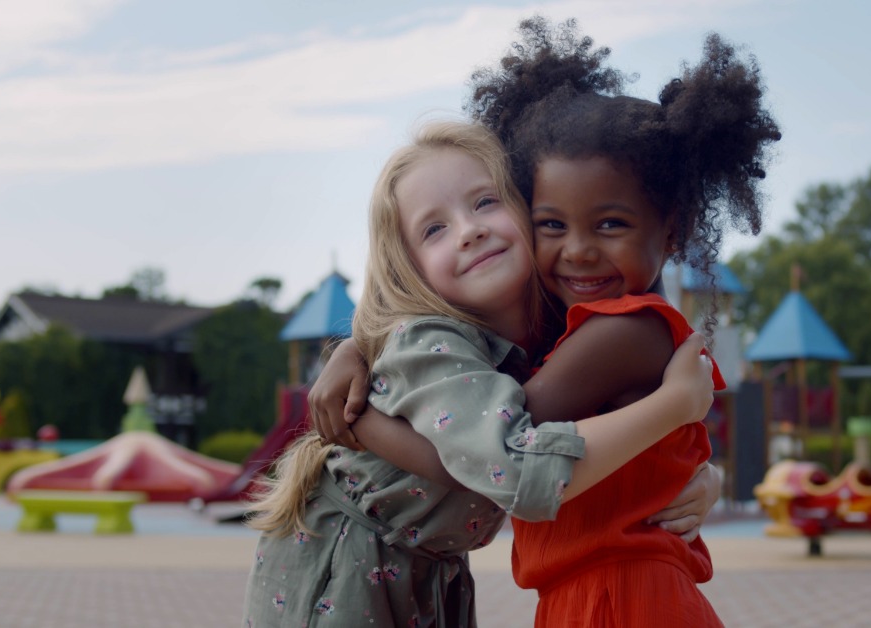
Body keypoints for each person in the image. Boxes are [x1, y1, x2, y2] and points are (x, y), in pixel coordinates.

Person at [314, 17, 781, 626]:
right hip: (598, 594)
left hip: (620, 596)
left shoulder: (624, 331)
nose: (580, 250)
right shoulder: (588, 324)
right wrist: (357, 347)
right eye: (552, 225)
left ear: (672, 232)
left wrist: (358, 424)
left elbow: (500, 456)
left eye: (610, 224)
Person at [241, 121, 717, 627]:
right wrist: (674, 407)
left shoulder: (553, 331)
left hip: (430, 567)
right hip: (346, 558)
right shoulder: (427, 341)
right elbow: (507, 465)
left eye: (485, 202)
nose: (470, 230)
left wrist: (704, 471)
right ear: (410, 269)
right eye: (434, 229)